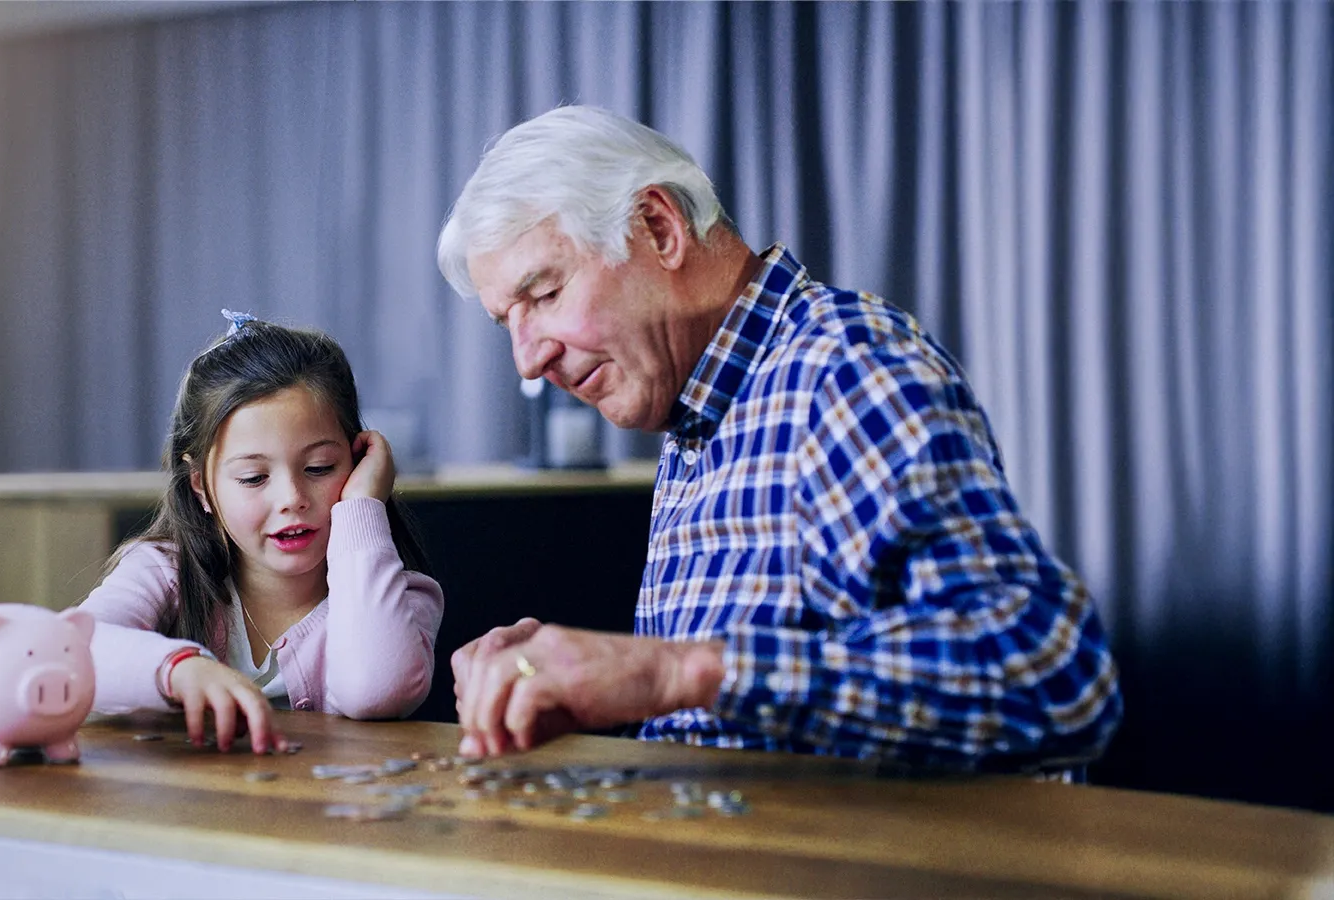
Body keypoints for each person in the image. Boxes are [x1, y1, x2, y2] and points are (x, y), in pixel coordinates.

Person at [436, 106, 1122, 775]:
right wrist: (583, 694)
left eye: (546, 293)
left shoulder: (848, 369)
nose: (527, 361)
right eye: (508, 324)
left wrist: (670, 671)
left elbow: (1055, 677)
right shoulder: (697, 405)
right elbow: (741, 727)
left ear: (659, 227)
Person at [80, 311, 444, 753]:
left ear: (356, 461)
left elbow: (377, 690)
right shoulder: (165, 571)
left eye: (320, 468)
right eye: (253, 478)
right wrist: (177, 669)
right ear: (202, 487)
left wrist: (363, 507)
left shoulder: (394, 597)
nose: (292, 497)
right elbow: (75, 651)